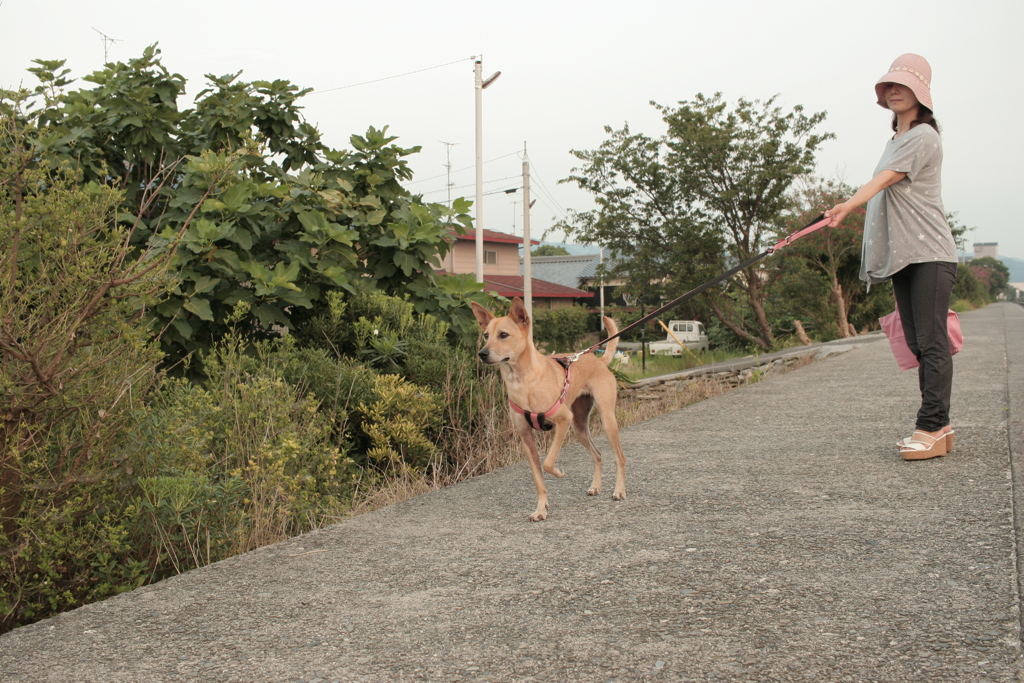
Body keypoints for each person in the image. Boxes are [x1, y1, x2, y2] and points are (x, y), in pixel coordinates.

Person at [824, 53, 959, 461]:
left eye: (904, 85)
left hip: (930, 253)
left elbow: (885, 180)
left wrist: (847, 204)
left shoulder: (923, 136)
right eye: (889, 85)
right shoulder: (896, 140)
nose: (895, 90)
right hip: (904, 256)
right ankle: (941, 428)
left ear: (922, 95)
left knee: (932, 341)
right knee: (918, 342)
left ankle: (931, 426)